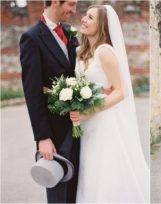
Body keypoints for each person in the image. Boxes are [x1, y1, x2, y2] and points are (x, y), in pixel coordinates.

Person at [69, 5, 150, 202]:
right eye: (85, 15)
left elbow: (121, 91)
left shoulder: (105, 52)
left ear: (102, 25)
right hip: (87, 124)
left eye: (90, 17)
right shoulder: (82, 52)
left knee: (105, 169)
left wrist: (88, 112)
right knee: (90, 169)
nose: (84, 19)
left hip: (104, 120)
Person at [20, 0, 80, 202]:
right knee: (59, 188)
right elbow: (32, 92)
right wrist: (42, 137)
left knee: (77, 186)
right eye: (70, 5)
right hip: (54, 130)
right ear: (55, 2)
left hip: (79, 123)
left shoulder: (70, 32)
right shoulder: (32, 38)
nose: (74, 10)